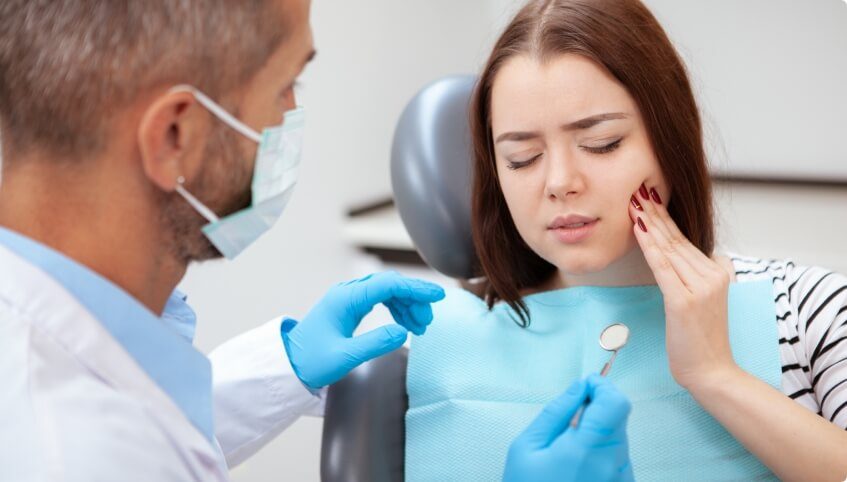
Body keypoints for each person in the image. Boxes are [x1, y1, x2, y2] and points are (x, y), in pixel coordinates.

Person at [0, 0, 632, 480]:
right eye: (284, 89)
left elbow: (152, 415)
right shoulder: (73, 449)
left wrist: (286, 367)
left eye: (602, 143)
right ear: (175, 138)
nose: (291, 118)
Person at [412, 0, 847, 480]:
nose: (559, 181)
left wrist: (717, 376)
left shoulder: (807, 310)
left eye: (602, 144)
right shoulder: (437, 348)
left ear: (669, 140)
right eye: (522, 157)